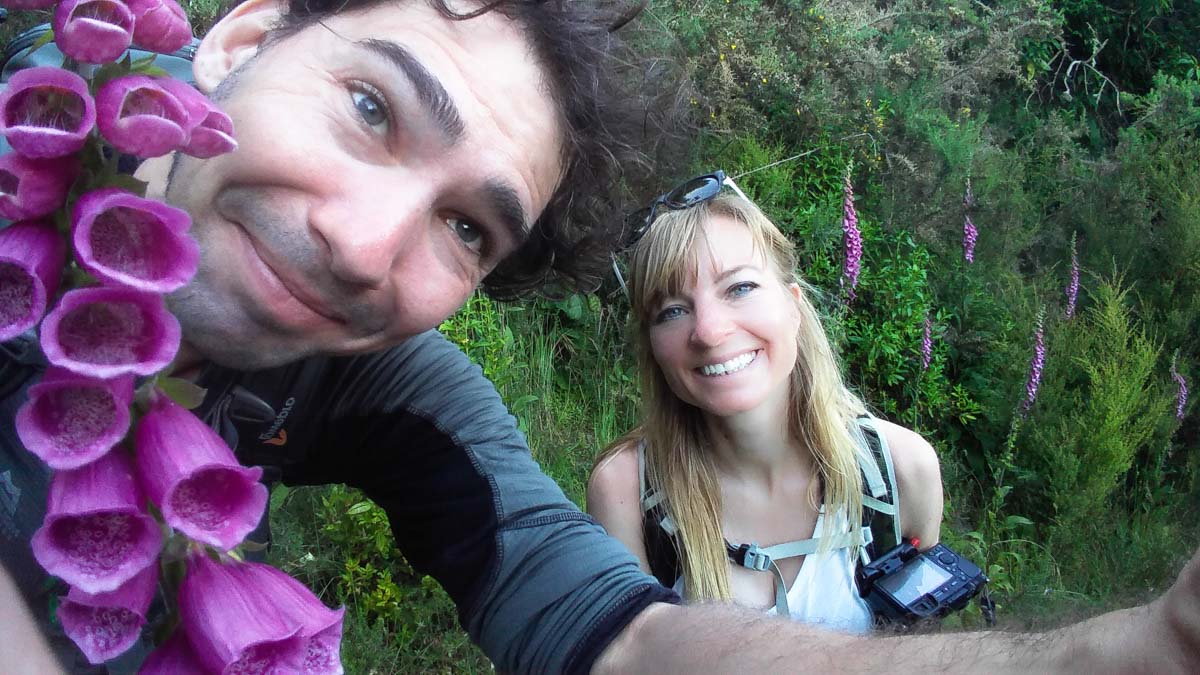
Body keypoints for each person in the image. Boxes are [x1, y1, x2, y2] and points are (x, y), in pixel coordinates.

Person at [0, 1, 1198, 673]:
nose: (366, 247)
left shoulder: (391, 384)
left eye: (467, 230)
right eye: (371, 108)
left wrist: (1134, 655)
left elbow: (627, 641)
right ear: (243, 37)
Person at [588, 180, 942, 632]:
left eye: (739, 288)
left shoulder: (901, 472)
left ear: (793, 308)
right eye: (672, 311)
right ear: (653, 349)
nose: (709, 332)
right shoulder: (626, 493)